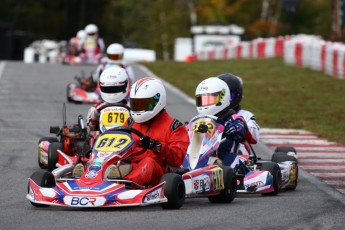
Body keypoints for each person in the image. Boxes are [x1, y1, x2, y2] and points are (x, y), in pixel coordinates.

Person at [123, 77, 189, 187]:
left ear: (157, 101)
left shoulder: (174, 127)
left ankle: (125, 185)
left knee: (148, 162)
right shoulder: (130, 123)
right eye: (136, 104)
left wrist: (156, 145)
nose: (139, 108)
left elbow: (177, 158)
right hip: (130, 167)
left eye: (143, 104)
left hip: (159, 173)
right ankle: (91, 182)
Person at [72, 65, 131, 177]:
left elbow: (90, 125)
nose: (112, 93)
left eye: (115, 89)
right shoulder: (98, 108)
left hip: (126, 140)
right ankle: (83, 163)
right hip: (103, 141)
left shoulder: (132, 108)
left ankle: (116, 169)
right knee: (91, 137)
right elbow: (90, 127)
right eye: (109, 89)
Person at [195, 77, 247, 169]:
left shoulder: (233, 118)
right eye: (202, 100)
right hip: (203, 157)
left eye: (209, 100)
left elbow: (240, 127)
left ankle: (238, 179)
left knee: (230, 159)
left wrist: (234, 128)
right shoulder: (200, 120)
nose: (205, 104)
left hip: (224, 157)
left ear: (222, 98)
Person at [217, 73, 260, 163]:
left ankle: (234, 166)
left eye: (230, 96)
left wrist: (240, 126)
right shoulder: (211, 116)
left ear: (237, 95)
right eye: (222, 96)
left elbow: (255, 137)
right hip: (211, 150)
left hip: (237, 154)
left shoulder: (245, 115)